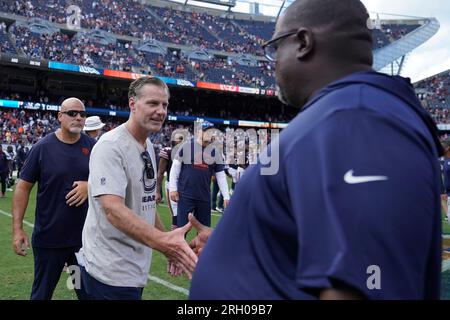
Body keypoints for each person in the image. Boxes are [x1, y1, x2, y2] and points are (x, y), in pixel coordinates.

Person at [189, 0, 443, 300]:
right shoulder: (342, 116)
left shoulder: (359, 118)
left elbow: (365, 285)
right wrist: (243, 247)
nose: (273, 62)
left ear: (303, 43)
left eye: (275, 48)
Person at [79, 76, 197, 300]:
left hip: (134, 267)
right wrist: (164, 243)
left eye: (164, 105)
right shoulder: (110, 146)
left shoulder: (148, 146)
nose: (161, 111)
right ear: (132, 104)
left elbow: (147, 204)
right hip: (110, 271)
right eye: (153, 103)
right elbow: (112, 209)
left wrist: (169, 242)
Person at [12, 97, 95, 300]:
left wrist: (89, 186)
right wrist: (17, 229)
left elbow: (111, 182)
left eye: (82, 114)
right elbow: (22, 188)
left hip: (83, 243)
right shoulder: (42, 148)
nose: (78, 118)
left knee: (87, 294)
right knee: (42, 295)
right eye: (72, 113)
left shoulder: (94, 147)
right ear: (60, 116)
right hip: (50, 241)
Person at [169, 122, 230, 228]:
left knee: (204, 232)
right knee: (181, 230)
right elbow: (175, 168)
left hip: (204, 197)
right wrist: (173, 188)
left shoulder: (216, 152)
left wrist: (226, 196)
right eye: (206, 131)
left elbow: (220, 175)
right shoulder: (187, 146)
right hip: (185, 196)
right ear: (199, 132)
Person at [156, 132, 185, 230]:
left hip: (185, 187)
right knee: (176, 215)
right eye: (179, 139)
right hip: (172, 186)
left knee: (186, 216)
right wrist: (157, 191)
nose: (181, 141)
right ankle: (175, 240)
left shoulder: (187, 153)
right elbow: (160, 173)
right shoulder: (168, 152)